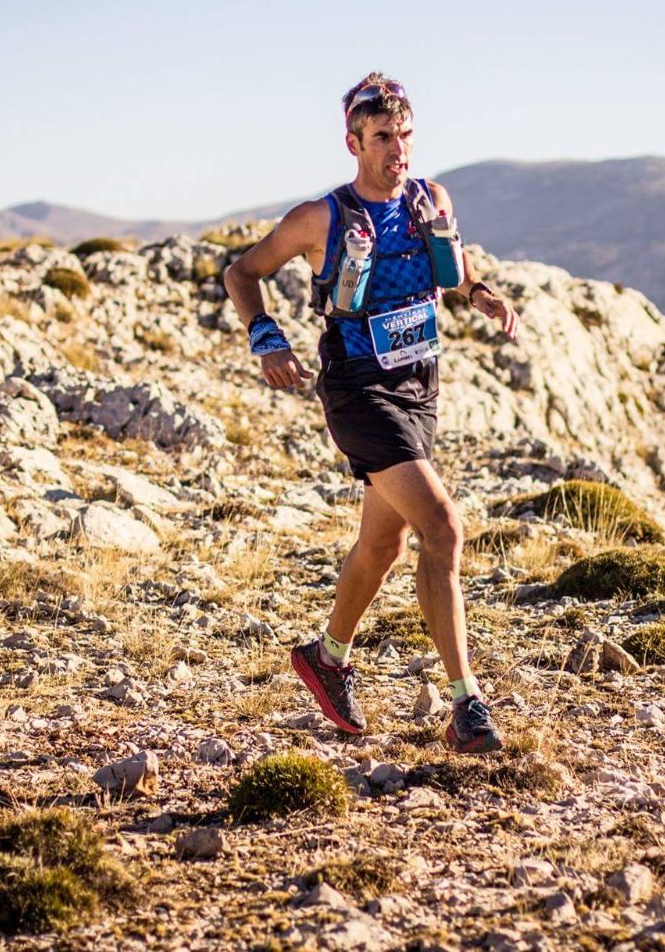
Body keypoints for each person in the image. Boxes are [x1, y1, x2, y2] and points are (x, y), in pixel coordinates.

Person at [223, 73, 521, 753]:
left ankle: (327, 658)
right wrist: (266, 337)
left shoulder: (429, 199)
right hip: (358, 389)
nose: (398, 149)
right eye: (383, 137)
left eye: (405, 135)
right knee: (442, 526)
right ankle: (466, 703)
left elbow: (451, 266)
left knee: (383, 545)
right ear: (353, 142)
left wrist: (482, 294)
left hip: (420, 385)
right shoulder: (321, 217)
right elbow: (242, 273)